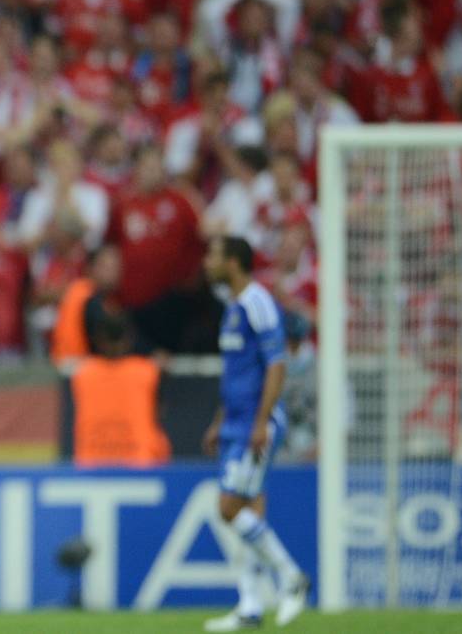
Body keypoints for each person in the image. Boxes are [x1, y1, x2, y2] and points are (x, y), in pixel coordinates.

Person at [201, 236, 308, 632]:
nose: (206, 261)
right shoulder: (232, 308)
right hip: (234, 421)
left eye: (212, 254)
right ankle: (250, 607)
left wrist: (262, 421)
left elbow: (275, 364)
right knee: (249, 512)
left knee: (229, 508)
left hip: (254, 423)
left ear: (232, 262)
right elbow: (237, 373)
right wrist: (219, 419)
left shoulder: (257, 302)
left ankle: (292, 577)